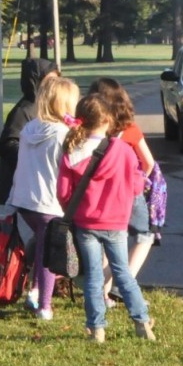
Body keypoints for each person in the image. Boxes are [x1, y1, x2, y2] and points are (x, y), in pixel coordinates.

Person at [59, 94, 154, 343]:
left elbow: (63, 192)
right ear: (108, 120)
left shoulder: (72, 150)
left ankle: (96, 328)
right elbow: (136, 186)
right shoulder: (122, 150)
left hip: (86, 223)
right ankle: (142, 321)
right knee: (123, 272)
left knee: (92, 276)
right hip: (117, 222)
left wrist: (72, 210)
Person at [8, 75, 80, 321]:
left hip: (26, 199)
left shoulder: (30, 129)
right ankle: (44, 306)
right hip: (50, 201)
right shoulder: (63, 133)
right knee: (51, 253)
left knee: (41, 245)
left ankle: (35, 291)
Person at [88, 78, 156, 305]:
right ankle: (120, 282)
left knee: (109, 241)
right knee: (144, 236)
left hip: (100, 195)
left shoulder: (90, 130)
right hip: (129, 192)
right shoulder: (129, 129)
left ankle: (104, 294)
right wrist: (140, 181)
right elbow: (148, 162)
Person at [0, 58, 56, 206]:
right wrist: (31, 158)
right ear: (36, 81)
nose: (54, 86)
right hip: (22, 184)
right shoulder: (24, 110)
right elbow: (6, 144)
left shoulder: (48, 106)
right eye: (49, 81)